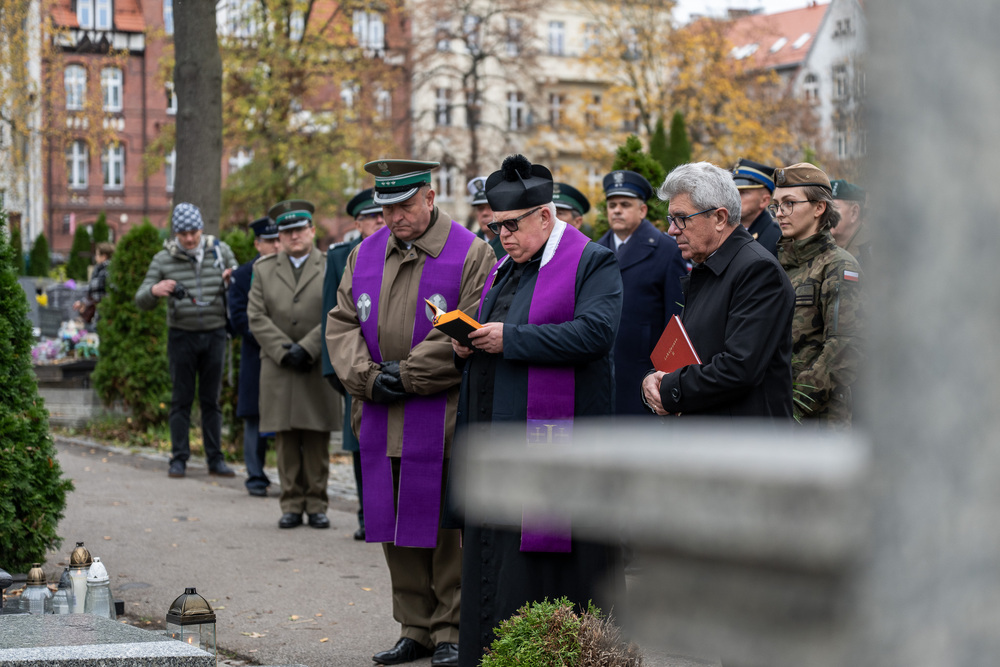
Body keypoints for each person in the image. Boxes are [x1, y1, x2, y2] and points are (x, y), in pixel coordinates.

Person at [450, 154, 625, 667]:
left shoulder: (592, 260)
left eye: (510, 225)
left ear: (545, 218)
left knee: (539, 574)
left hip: (553, 448)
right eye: (495, 225)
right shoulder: (505, 267)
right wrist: (466, 341)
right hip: (497, 442)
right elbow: (494, 334)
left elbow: (596, 333)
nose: (501, 235)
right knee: (494, 566)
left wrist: (511, 339)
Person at [326, 159, 494, 667]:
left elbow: (470, 325)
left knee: (444, 529)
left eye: (404, 205)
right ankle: (413, 627)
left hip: (441, 414)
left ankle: (451, 628)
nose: (395, 217)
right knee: (393, 524)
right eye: (387, 208)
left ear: (429, 196)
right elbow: (341, 324)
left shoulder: (472, 252)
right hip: (379, 412)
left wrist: (409, 375)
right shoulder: (364, 253)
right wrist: (369, 379)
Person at [641, 162, 795, 418]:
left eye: (681, 219)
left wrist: (669, 387)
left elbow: (739, 368)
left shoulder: (757, 270)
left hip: (744, 447)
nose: (671, 230)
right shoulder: (711, 264)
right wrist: (653, 381)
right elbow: (699, 351)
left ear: (720, 218)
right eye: (671, 219)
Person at [249, 200, 341, 528]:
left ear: (312, 231)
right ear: (280, 236)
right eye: (287, 232)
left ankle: (317, 503)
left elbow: (337, 309)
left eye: (300, 229)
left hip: (316, 362)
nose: (294, 236)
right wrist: (283, 350)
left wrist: (308, 347)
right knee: (286, 439)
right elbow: (256, 316)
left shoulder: (330, 264)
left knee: (316, 438)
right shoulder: (263, 269)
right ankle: (290, 504)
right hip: (280, 365)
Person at [136, 203, 238, 478]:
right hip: (181, 335)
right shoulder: (163, 259)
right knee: (181, 399)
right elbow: (141, 298)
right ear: (175, 234)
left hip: (215, 333)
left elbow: (242, 283)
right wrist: (155, 291)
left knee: (211, 400)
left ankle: (215, 459)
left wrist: (233, 279)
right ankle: (179, 458)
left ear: (201, 229)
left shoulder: (220, 251)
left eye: (193, 232)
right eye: (183, 234)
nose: (190, 239)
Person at [772, 164, 865, 428]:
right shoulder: (776, 266)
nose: (780, 212)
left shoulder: (838, 266)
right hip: (775, 414)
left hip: (817, 423)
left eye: (789, 203)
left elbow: (845, 349)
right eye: (777, 204)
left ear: (818, 208)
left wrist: (793, 408)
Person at [321, 188, 386, 540]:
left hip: (396, 367)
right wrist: (336, 371)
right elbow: (332, 316)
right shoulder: (343, 257)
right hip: (356, 368)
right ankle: (366, 514)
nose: (379, 221)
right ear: (357, 224)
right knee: (362, 444)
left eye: (382, 215)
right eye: (371, 218)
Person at [595, 170, 686, 415]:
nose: (616, 210)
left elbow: (674, 319)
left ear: (642, 210)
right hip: (601, 370)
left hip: (643, 370)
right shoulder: (595, 251)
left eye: (625, 205)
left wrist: (668, 377)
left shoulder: (666, 250)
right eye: (612, 205)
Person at [228, 216, 281, 497]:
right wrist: (270, 339)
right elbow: (238, 319)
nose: (275, 246)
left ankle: (288, 475)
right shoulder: (241, 275)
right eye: (269, 241)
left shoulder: (290, 271)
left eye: (277, 240)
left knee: (287, 413)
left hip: (287, 354)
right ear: (257, 244)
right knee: (254, 416)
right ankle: (255, 476)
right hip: (256, 353)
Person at [731, 158, 781, 257]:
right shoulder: (725, 232)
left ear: (764, 201)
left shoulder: (776, 239)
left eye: (743, 193)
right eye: (734, 192)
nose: (735, 198)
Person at [830, 179, 872, 268]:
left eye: (833, 207)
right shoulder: (822, 246)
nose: (825, 214)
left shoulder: (869, 252)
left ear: (854, 212)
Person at [74, 241, 114, 325]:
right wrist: (82, 302)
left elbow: (97, 291)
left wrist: (85, 302)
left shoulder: (109, 271)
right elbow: (91, 291)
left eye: (97, 254)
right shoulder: (98, 270)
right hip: (98, 311)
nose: (95, 257)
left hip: (106, 312)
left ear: (104, 257)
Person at [468, 176, 506, 259]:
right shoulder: (469, 242)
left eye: (490, 207)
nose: (484, 213)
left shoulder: (511, 242)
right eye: (480, 208)